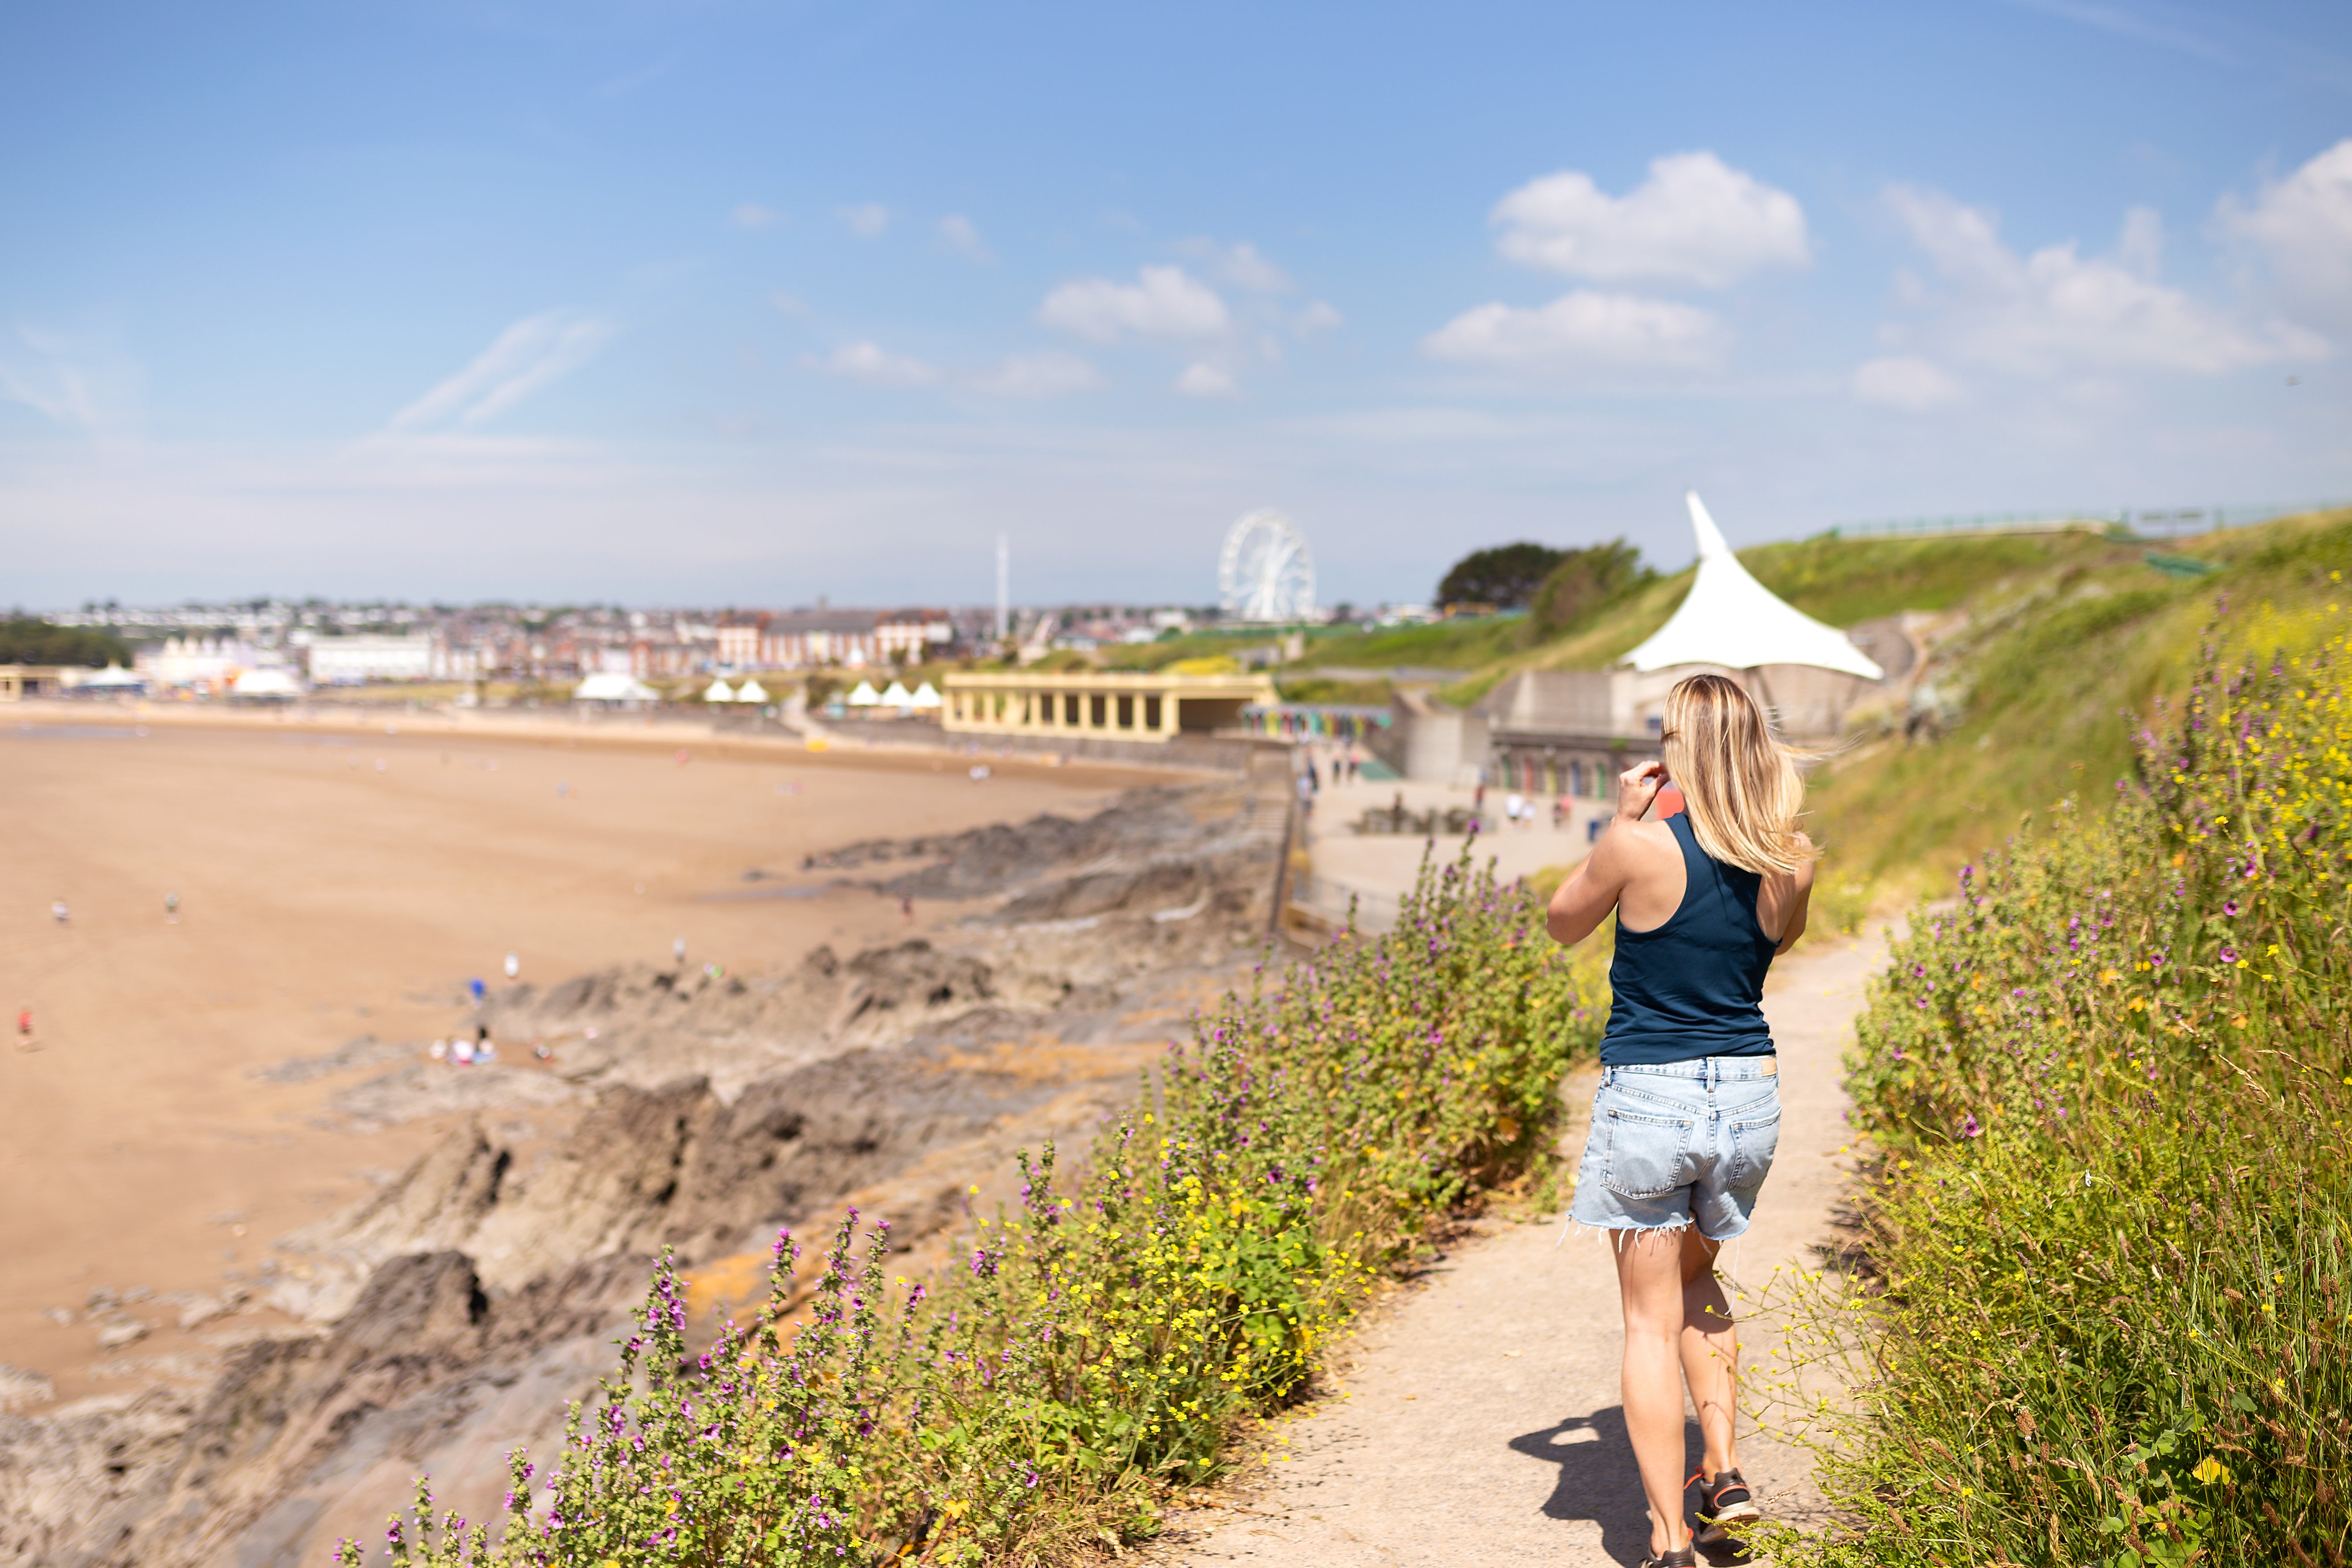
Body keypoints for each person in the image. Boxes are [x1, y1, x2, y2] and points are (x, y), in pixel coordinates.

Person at [1543, 673, 1816, 1568]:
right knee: (1700, 1283)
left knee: (1648, 1324)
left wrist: (1617, 823)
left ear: (1676, 753)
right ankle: (1725, 1468)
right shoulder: (1793, 855)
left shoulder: (1637, 846)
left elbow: (1560, 923)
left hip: (1652, 1100)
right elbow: (1775, 940)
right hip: (1743, 1099)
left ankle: (1665, 1538)